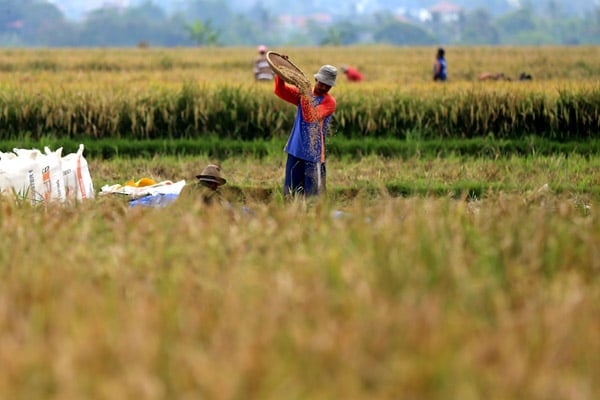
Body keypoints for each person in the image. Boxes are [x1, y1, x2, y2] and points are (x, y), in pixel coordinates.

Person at [274, 62, 337, 197]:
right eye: (322, 83)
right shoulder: (303, 94)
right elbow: (280, 91)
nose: (324, 87)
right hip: (295, 150)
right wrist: (280, 74)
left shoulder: (329, 102)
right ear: (316, 79)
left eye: (328, 85)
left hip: (313, 156)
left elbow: (311, 117)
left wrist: (305, 94)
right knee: (290, 194)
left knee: (313, 197)